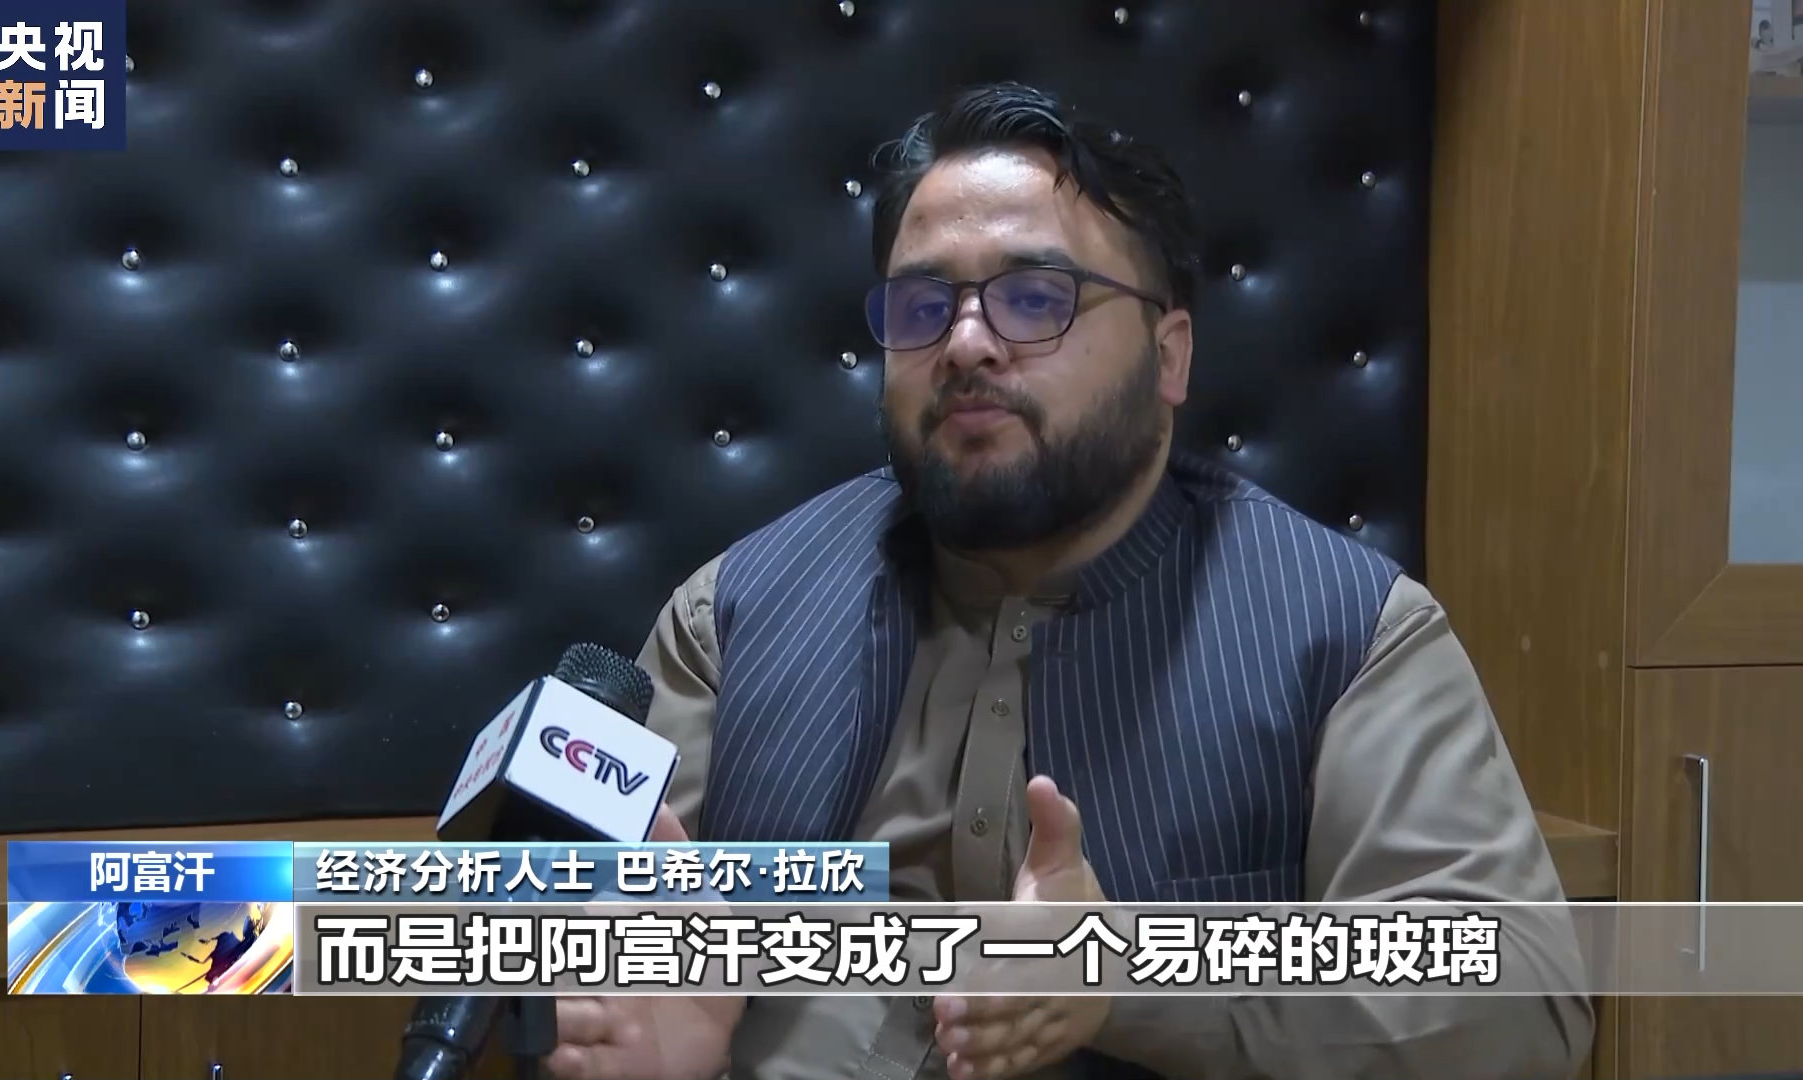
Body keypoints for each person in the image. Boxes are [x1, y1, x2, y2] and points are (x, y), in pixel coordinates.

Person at [546, 82, 1594, 1080]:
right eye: (922, 306)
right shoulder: (731, 614)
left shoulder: (1350, 633)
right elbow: (593, 950)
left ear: (1168, 356)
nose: (966, 343)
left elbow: (1521, 1006)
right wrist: (615, 1030)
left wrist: (1131, 974)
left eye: (1035, 298)